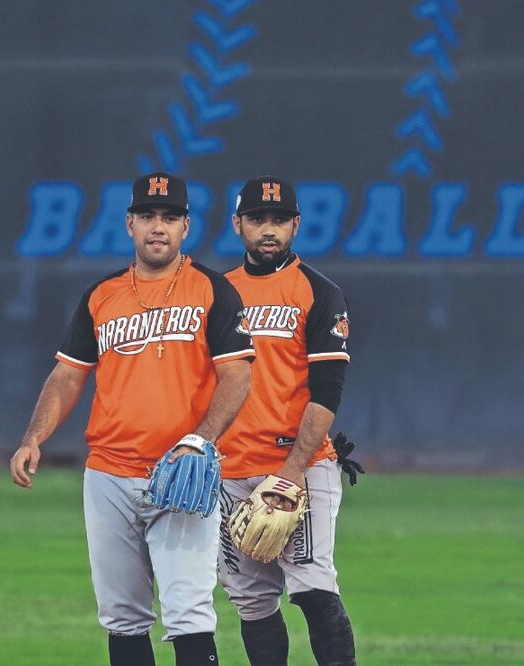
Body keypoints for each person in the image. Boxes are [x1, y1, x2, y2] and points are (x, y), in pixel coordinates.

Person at [9, 171, 254, 666]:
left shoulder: (213, 290)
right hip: (108, 476)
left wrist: (200, 440)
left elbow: (237, 377)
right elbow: (67, 376)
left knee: (188, 613)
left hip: (182, 473)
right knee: (122, 617)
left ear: (186, 226)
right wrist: (33, 437)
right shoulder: (102, 296)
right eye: (147, 216)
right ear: (129, 224)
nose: (157, 227)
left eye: (169, 217)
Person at [218, 175, 359, 665]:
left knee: (314, 588)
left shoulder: (319, 293)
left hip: (299, 466)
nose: (268, 228)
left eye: (279, 219)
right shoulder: (218, 293)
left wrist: (292, 471)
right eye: (258, 218)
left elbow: (327, 392)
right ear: (238, 224)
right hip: (231, 471)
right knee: (252, 602)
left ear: (296, 224)